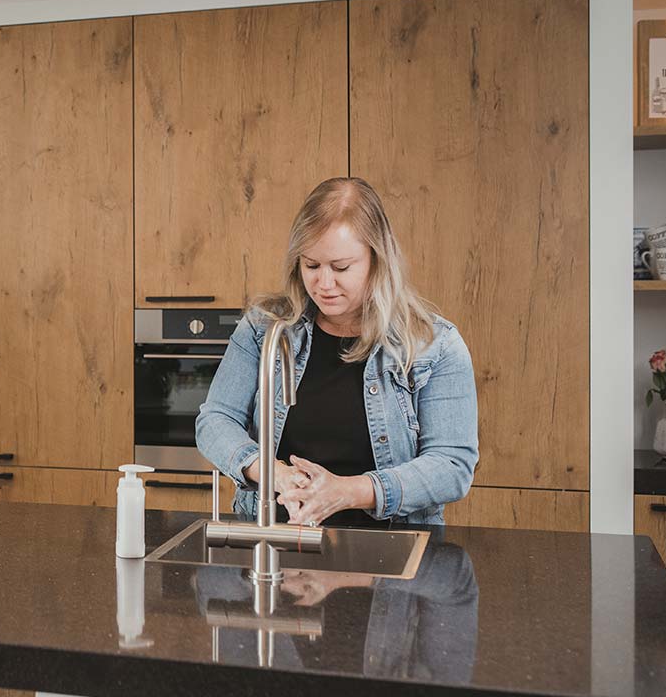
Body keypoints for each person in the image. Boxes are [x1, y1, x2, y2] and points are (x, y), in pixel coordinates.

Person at [195, 177, 478, 527]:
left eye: (341, 268)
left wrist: (349, 491)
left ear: (378, 260)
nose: (324, 284)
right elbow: (215, 420)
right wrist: (276, 474)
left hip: (392, 557)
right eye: (311, 266)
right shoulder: (264, 331)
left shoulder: (434, 344)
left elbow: (452, 466)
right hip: (277, 542)